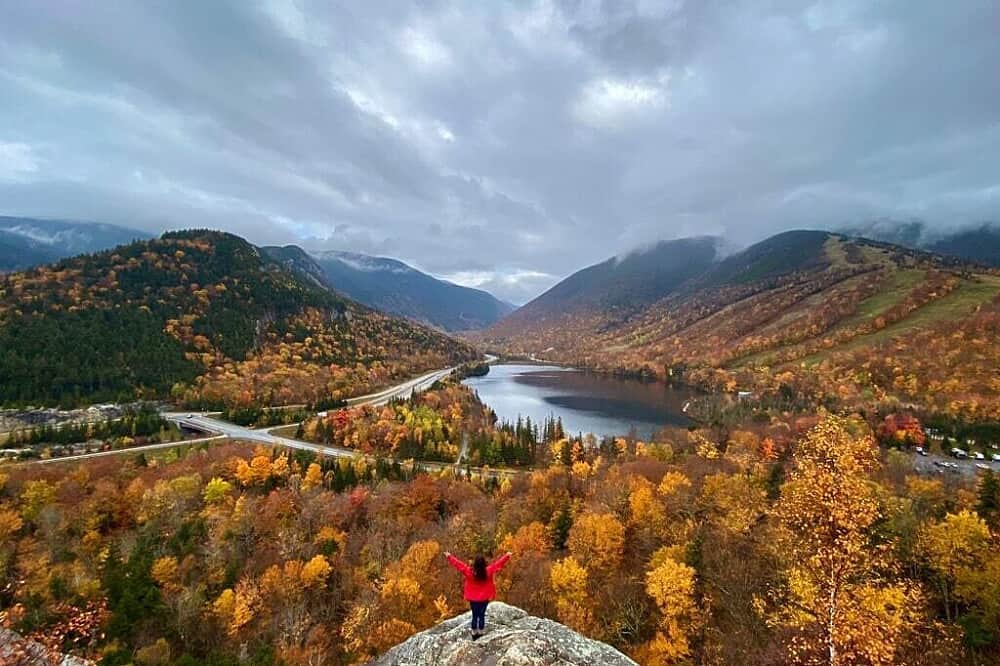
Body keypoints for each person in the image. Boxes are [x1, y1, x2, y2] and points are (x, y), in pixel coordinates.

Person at [444, 550, 512, 639]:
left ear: (475, 564)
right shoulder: (488, 571)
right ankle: (481, 632)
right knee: (481, 615)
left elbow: (459, 565)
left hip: (473, 598)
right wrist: (507, 556)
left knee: (475, 615)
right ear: (484, 563)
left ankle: (474, 633)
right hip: (484, 598)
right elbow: (498, 564)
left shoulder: (469, 572)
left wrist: (449, 556)